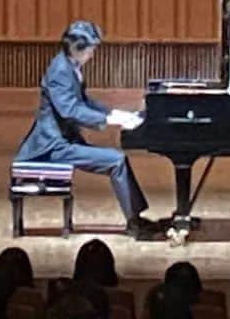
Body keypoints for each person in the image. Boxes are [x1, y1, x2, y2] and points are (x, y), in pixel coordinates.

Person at [14, 20, 158, 239]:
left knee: (117, 160)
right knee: (116, 161)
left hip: (66, 140)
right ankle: (134, 224)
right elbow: (70, 110)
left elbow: (83, 101)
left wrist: (114, 114)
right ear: (76, 48)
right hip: (54, 146)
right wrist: (109, 119)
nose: (92, 53)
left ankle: (135, 219)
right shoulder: (60, 71)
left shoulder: (69, 66)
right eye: (91, 49)